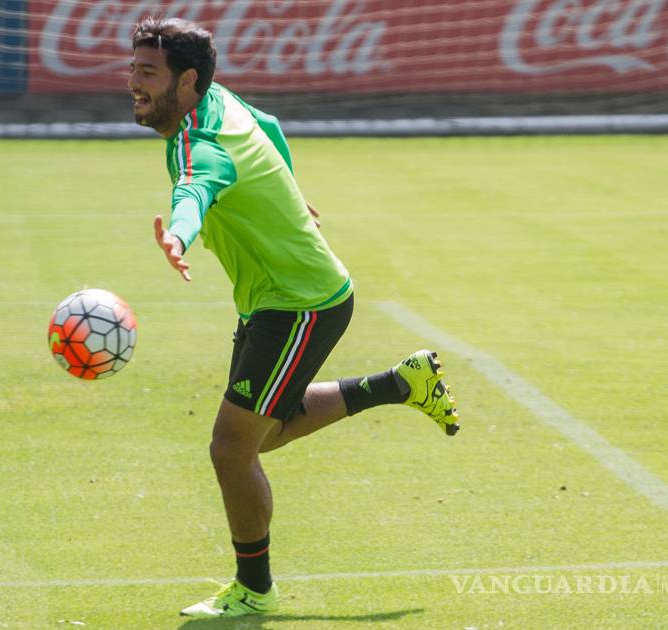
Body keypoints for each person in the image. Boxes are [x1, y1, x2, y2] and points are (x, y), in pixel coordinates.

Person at [128, 16, 460, 618]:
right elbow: (271, 126)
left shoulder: (198, 144)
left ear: (188, 81)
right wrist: (290, 188)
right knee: (263, 435)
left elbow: (195, 189)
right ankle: (398, 384)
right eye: (134, 68)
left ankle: (254, 589)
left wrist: (179, 235)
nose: (134, 82)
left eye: (148, 73)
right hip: (275, 298)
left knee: (231, 449)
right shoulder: (220, 100)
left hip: (299, 303)